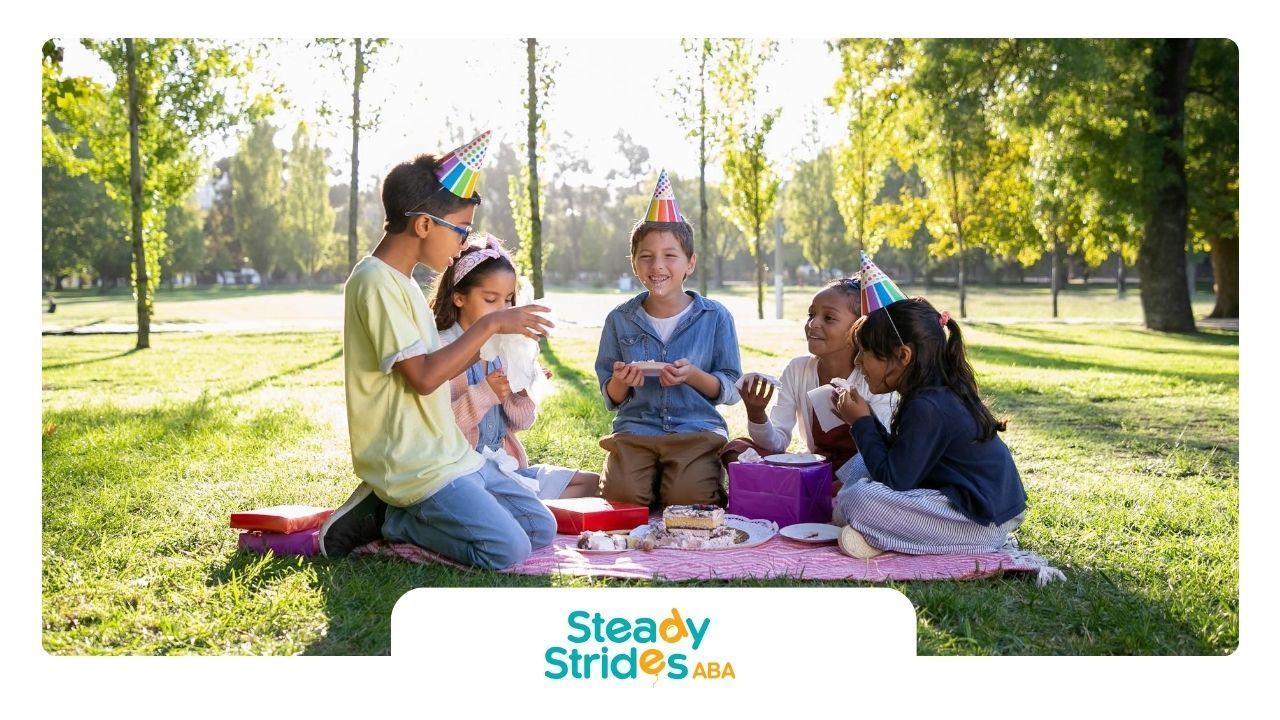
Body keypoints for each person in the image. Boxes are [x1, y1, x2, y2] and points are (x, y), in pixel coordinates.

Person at [320, 131, 558, 570]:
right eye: (460, 231)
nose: (463, 243)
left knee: (540, 528)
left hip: (449, 451)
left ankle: (407, 514)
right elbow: (424, 376)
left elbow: (442, 366)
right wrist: (490, 323)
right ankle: (394, 520)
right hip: (413, 464)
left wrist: (504, 346)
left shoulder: (405, 283)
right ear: (425, 225)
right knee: (509, 550)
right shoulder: (374, 282)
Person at [831, 253, 1027, 559]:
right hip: (963, 504)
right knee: (860, 469)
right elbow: (902, 463)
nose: (857, 362)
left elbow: (895, 480)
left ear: (903, 356)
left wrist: (861, 423)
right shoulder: (930, 394)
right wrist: (865, 418)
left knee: (859, 500)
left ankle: (882, 536)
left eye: (865, 352)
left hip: (981, 521)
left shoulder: (929, 405)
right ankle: (879, 535)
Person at [594, 169, 742, 507]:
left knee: (690, 501)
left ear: (690, 263)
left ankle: (674, 479)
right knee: (623, 500)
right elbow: (611, 394)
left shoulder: (715, 317)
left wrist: (692, 376)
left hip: (696, 431)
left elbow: (730, 387)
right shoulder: (620, 320)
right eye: (646, 256)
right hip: (636, 432)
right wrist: (622, 381)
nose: (657, 265)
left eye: (670, 255)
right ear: (634, 263)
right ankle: (647, 477)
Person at [429, 236, 601, 499]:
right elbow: (439, 431)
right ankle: (515, 507)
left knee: (594, 484)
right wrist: (485, 393)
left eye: (508, 300)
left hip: (507, 469)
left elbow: (521, 423)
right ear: (459, 298)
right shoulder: (444, 350)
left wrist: (523, 392)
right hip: (464, 476)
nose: (503, 311)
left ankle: (517, 503)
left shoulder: (505, 348)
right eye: (490, 299)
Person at [727, 278, 896, 494]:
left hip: (859, 475)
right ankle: (802, 491)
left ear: (859, 328)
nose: (813, 323)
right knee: (736, 449)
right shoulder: (798, 369)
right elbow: (776, 444)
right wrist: (757, 414)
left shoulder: (873, 378)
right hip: (813, 468)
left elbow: (880, 452)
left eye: (828, 318)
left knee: (869, 486)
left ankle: (799, 492)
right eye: (811, 315)